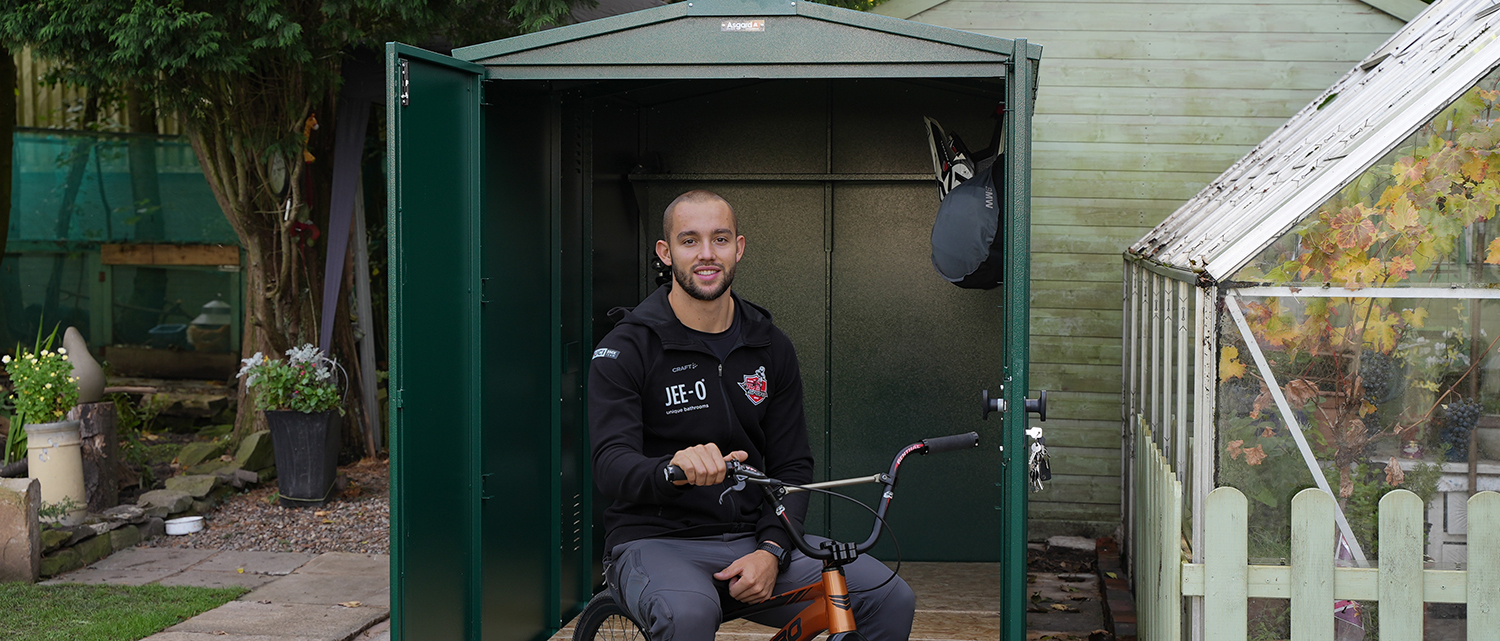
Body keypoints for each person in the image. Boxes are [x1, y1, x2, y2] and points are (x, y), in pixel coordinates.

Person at [589, 190, 915, 641]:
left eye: (720, 239)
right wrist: (673, 470)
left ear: (738, 247)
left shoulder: (770, 344)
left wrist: (772, 548)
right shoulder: (626, 347)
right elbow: (610, 466)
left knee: (887, 596)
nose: (707, 254)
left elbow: (792, 466)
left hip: (752, 537)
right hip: (655, 541)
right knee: (688, 616)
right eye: (690, 241)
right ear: (665, 253)